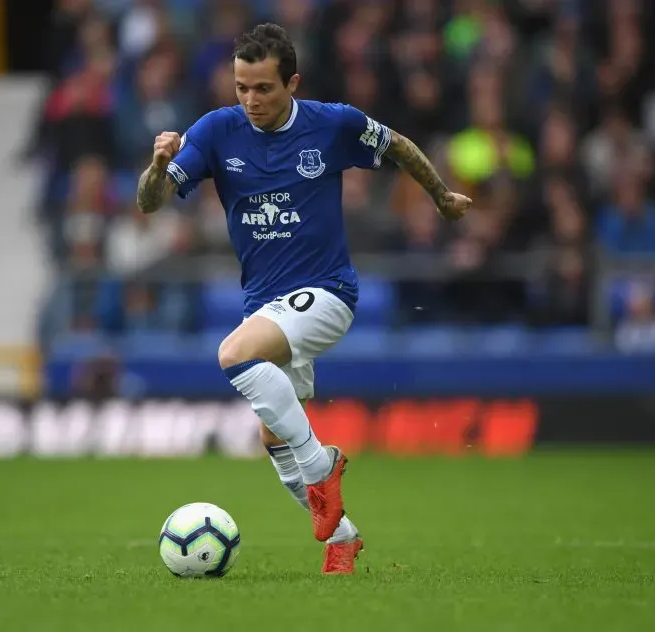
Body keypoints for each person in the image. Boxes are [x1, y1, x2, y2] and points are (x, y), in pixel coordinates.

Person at [135, 23, 471, 575]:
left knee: (233, 356)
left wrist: (440, 197)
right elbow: (152, 203)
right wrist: (155, 165)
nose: (250, 100)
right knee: (275, 438)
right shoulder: (217, 131)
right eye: (242, 87)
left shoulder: (332, 123)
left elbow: (400, 146)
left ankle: (324, 465)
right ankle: (341, 538)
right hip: (265, 305)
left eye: (263, 88)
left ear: (292, 82)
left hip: (327, 293)